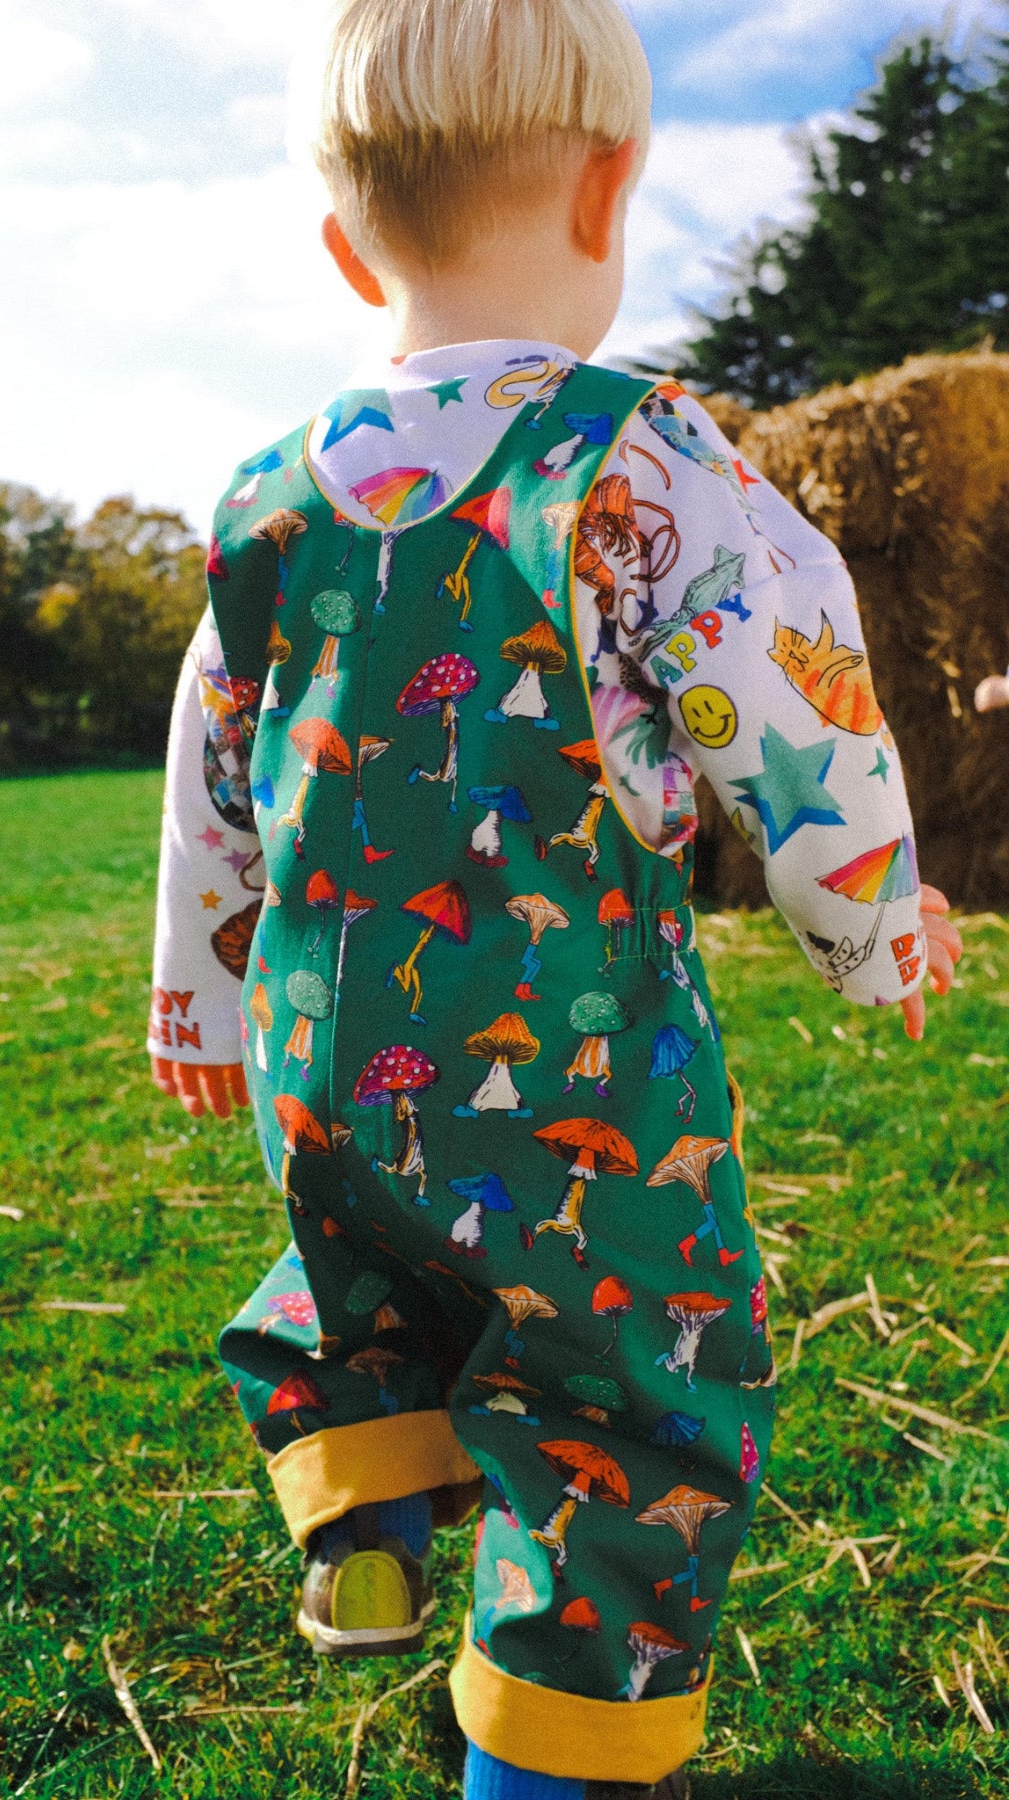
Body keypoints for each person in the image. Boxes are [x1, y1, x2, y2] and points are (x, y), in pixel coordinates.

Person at [146, 3, 964, 1794]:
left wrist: (200, 1001)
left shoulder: (269, 497)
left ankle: (361, 1512)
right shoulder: (639, 459)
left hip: (327, 1061)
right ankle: (547, 1758)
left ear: (347, 242)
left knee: (364, 1283)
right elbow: (796, 704)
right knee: (625, 1399)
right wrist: (876, 926)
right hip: (577, 1087)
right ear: (612, 195)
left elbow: (211, 766)